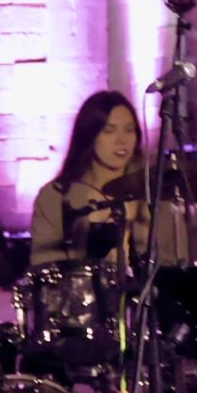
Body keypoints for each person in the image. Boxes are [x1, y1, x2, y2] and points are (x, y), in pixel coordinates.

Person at [30, 91, 148, 265]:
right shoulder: (55, 196)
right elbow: (43, 264)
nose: (121, 140)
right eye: (109, 131)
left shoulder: (151, 190)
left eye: (129, 130)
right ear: (89, 136)